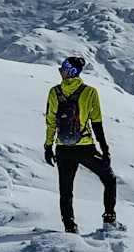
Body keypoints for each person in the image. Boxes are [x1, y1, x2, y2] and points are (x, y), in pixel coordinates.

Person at [43, 56, 117, 233]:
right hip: (84, 147)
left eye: (63, 68)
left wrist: (48, 147)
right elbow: (96, 123)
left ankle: (70, 228)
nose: (60, 71)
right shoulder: (89, 92)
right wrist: (105, 150)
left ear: (69, 71)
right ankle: (109, 220)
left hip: (62, 149)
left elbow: (51, 122)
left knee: (66, 190)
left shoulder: (54, 92)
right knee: (109, 178)